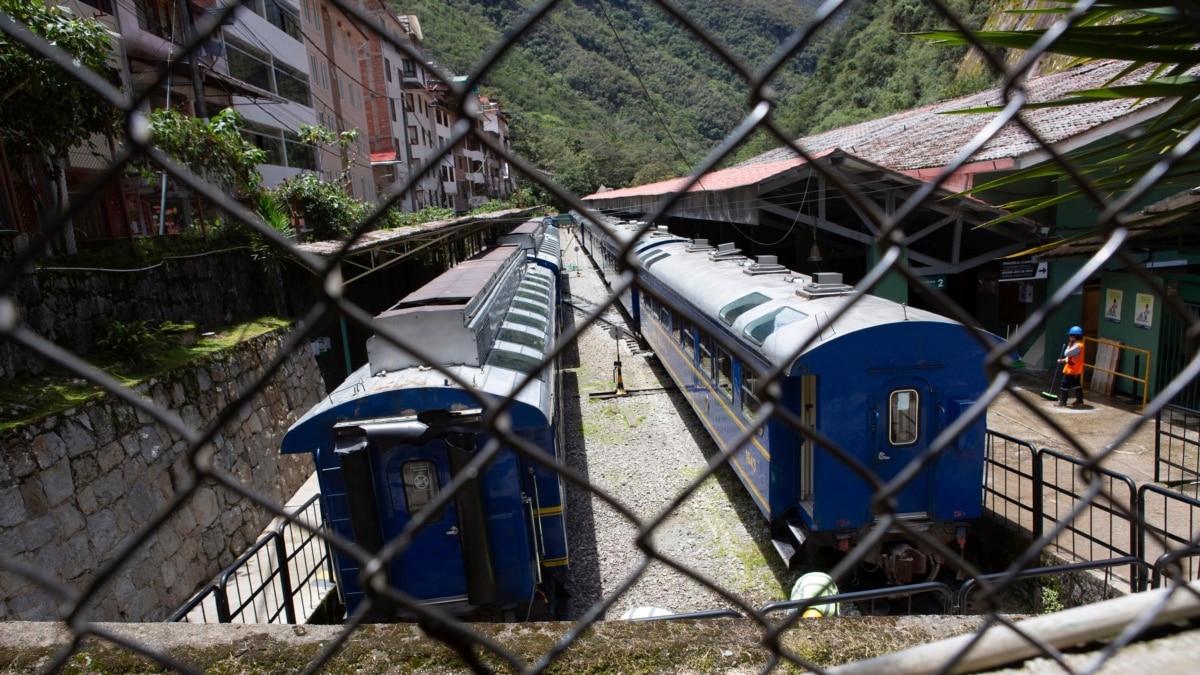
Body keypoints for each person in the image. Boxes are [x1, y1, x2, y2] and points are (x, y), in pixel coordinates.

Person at [1056, 326, 1086, 407]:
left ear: (1074, 337)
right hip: (1076, 370)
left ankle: (1062, 402)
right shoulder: (1079, 345)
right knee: (1076, 384)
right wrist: (1064, 360)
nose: (1069, 337)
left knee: (1064, 385)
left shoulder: (1077, 346)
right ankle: (1079, 400)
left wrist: (1069, 346)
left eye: (1070, 336)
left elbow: (1067, 353)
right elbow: (1072, 357)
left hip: (1071, 370)